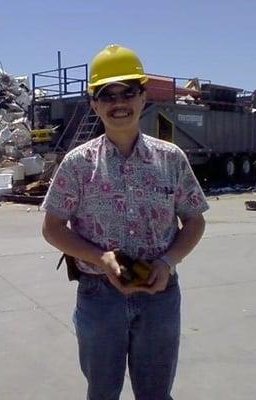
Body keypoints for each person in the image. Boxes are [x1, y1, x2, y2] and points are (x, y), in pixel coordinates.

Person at [41, 44, 209, 400]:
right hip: (99, 297)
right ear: (94, 104)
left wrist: (167, 262)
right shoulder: (77, 164)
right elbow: (52, 228)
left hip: (159, 295)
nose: (119, 103)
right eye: (107, 94)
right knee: (102, 393)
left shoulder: (171, 159)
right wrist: (101, 259)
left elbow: (194, 220)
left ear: (143, 97)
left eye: (128, 92)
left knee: (156, 395)